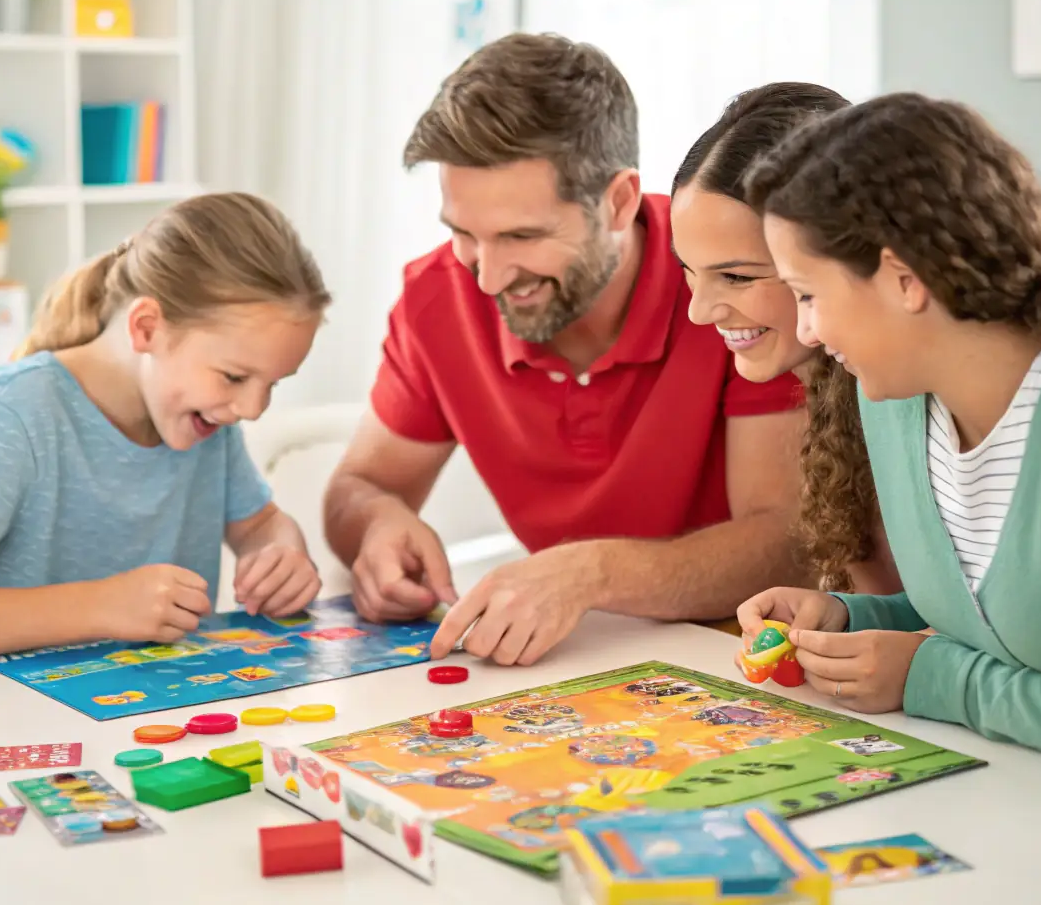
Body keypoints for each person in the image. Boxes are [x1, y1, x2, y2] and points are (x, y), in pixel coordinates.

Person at [324, 33, 812, 667]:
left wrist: (591, 574)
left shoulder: (727, 283)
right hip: (574, 672)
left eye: (522, 236)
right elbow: (358, 487)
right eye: (463, 234)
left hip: (741, 658)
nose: (488, 276)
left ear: (617, 202)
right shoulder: (438, 296)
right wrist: (378, 526)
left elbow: (787, 541)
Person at [738, 92, 1041, 779]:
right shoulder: (893, 398)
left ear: (903, 279)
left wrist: (944, 683)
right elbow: (1011, 610)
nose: (805, 333)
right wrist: (850, 618)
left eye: (807, 293)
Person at [0, 193, 331, 665]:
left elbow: (260, 524)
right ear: (146, 327)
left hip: (156, 711)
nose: (252, 409)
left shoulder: (208, 419)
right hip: (12, 719)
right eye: (235, 377)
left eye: (272, 384)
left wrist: (280, 551)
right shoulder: (11, 415)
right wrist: (101, 606)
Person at [669, 81, 900, 596]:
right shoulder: (831, 398)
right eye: (688, 270)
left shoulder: (904, 397)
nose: (699, 311)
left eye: (738, 277)